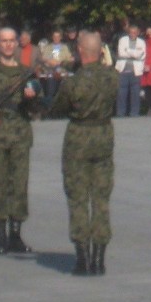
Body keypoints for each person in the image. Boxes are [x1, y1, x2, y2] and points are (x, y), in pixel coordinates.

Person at [48, 31, 118, 276]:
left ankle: (82, 257)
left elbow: (57, 109)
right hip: (103, 136)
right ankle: (99, 258)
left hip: (78, 137)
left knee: (78, 198)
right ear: (100, 51)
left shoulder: (73, 82)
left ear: (79, 50)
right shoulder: (113, 77)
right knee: (100, 198)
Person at [0, 27, 41, 255]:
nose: (7, 45)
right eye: (3, 41)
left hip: (19, 134)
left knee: (19, 184)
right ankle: (0, 235)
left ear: (17, 43)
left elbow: (39, 107)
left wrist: (32, 98)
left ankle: (15, 234)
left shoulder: (26, 72)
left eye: (11, 41)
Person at [115, 25, 145, 117]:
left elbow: (141, 56)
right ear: (128, 32)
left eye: (134, 32)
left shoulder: (141, 42)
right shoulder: (122, 40)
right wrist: (134, 53)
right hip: (123, 70)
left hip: (136, 71)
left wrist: (127, 50)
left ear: (138, 33)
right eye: (131, 32)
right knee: (121, 93)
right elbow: (121, 53)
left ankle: (134, 112)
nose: (132, 34)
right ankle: (121, 112)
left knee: (135, 93)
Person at [40, 29, 72, 100]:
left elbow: (70, 59)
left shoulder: (65, 47)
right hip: (50, 71)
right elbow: (43, 59)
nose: (56, 38)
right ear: (52, 37)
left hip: (62, 70)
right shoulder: (48, 47)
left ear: (60, 37)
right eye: (54, 36)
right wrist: (49, 61)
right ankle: (49, 99)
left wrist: (61, 62)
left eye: (58, 37)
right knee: (51, 83)